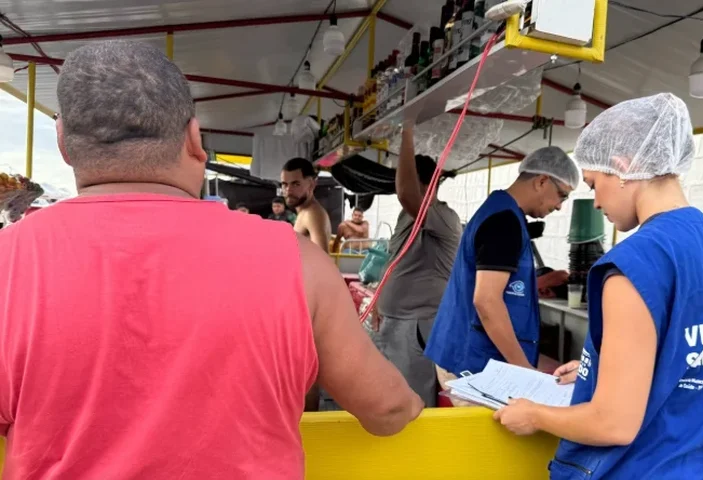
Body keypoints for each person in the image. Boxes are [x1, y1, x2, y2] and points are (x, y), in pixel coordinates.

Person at [0, 40, 423, 480]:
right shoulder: (298, 262)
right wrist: (416, 400)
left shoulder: (7, 263)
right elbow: (387, 409)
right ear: (194, 139)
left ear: (64, 143)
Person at [494, 93, 703, 480]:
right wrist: (600, 370)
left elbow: (614, 423)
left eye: (593, 183)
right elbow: (695, 357)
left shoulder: (635, 262)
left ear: (623, 167)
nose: (597, 202)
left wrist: (534, 414)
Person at [425, 146, 579, 403]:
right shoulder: (504, 223)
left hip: (466, 354)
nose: (560, 206)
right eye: (561, 196)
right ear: (542, 181)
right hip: (473, 362)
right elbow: (487, 301)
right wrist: (526, 372)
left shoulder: (500, 211)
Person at [371, 123, 463, 408]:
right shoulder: (406, 216)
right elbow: (395, 260)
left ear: (428, 185)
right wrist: (378, 301)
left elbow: (406, 194)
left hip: (415, 325)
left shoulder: (444, 218)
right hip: (394, 320)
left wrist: (406, 131)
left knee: (410, 402)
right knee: (388, 395)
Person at [280, 158, 331, 251]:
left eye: (295, 184)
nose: (288, 190)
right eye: (285, 184)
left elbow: (322, 261)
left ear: (311, 184)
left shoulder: (312, 214)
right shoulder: (305, 212)